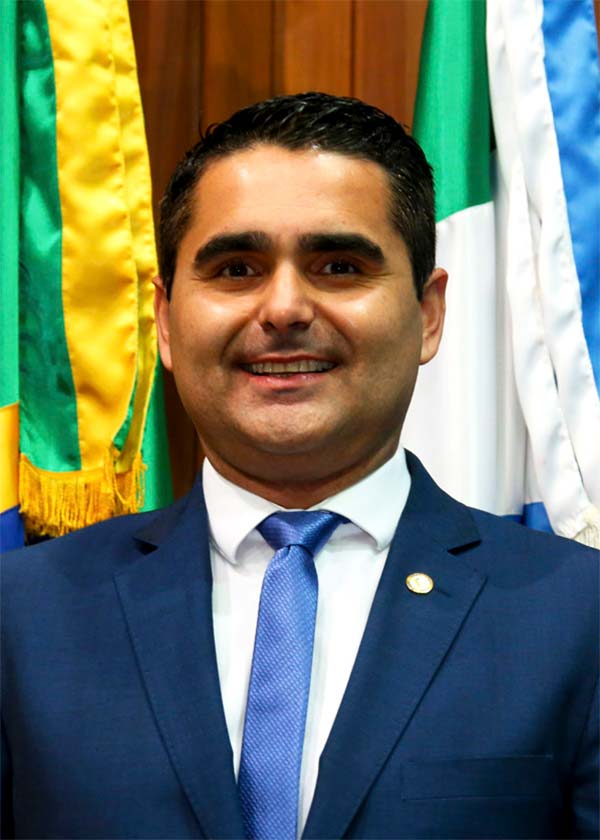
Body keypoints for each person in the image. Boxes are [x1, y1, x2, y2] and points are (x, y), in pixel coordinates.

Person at [1, 92, 598, 840]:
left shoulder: (577, 614)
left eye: (339, 266)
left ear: (429, 314)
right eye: (236, 268)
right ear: (165, 321)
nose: (283, 308)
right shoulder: (21, 616)